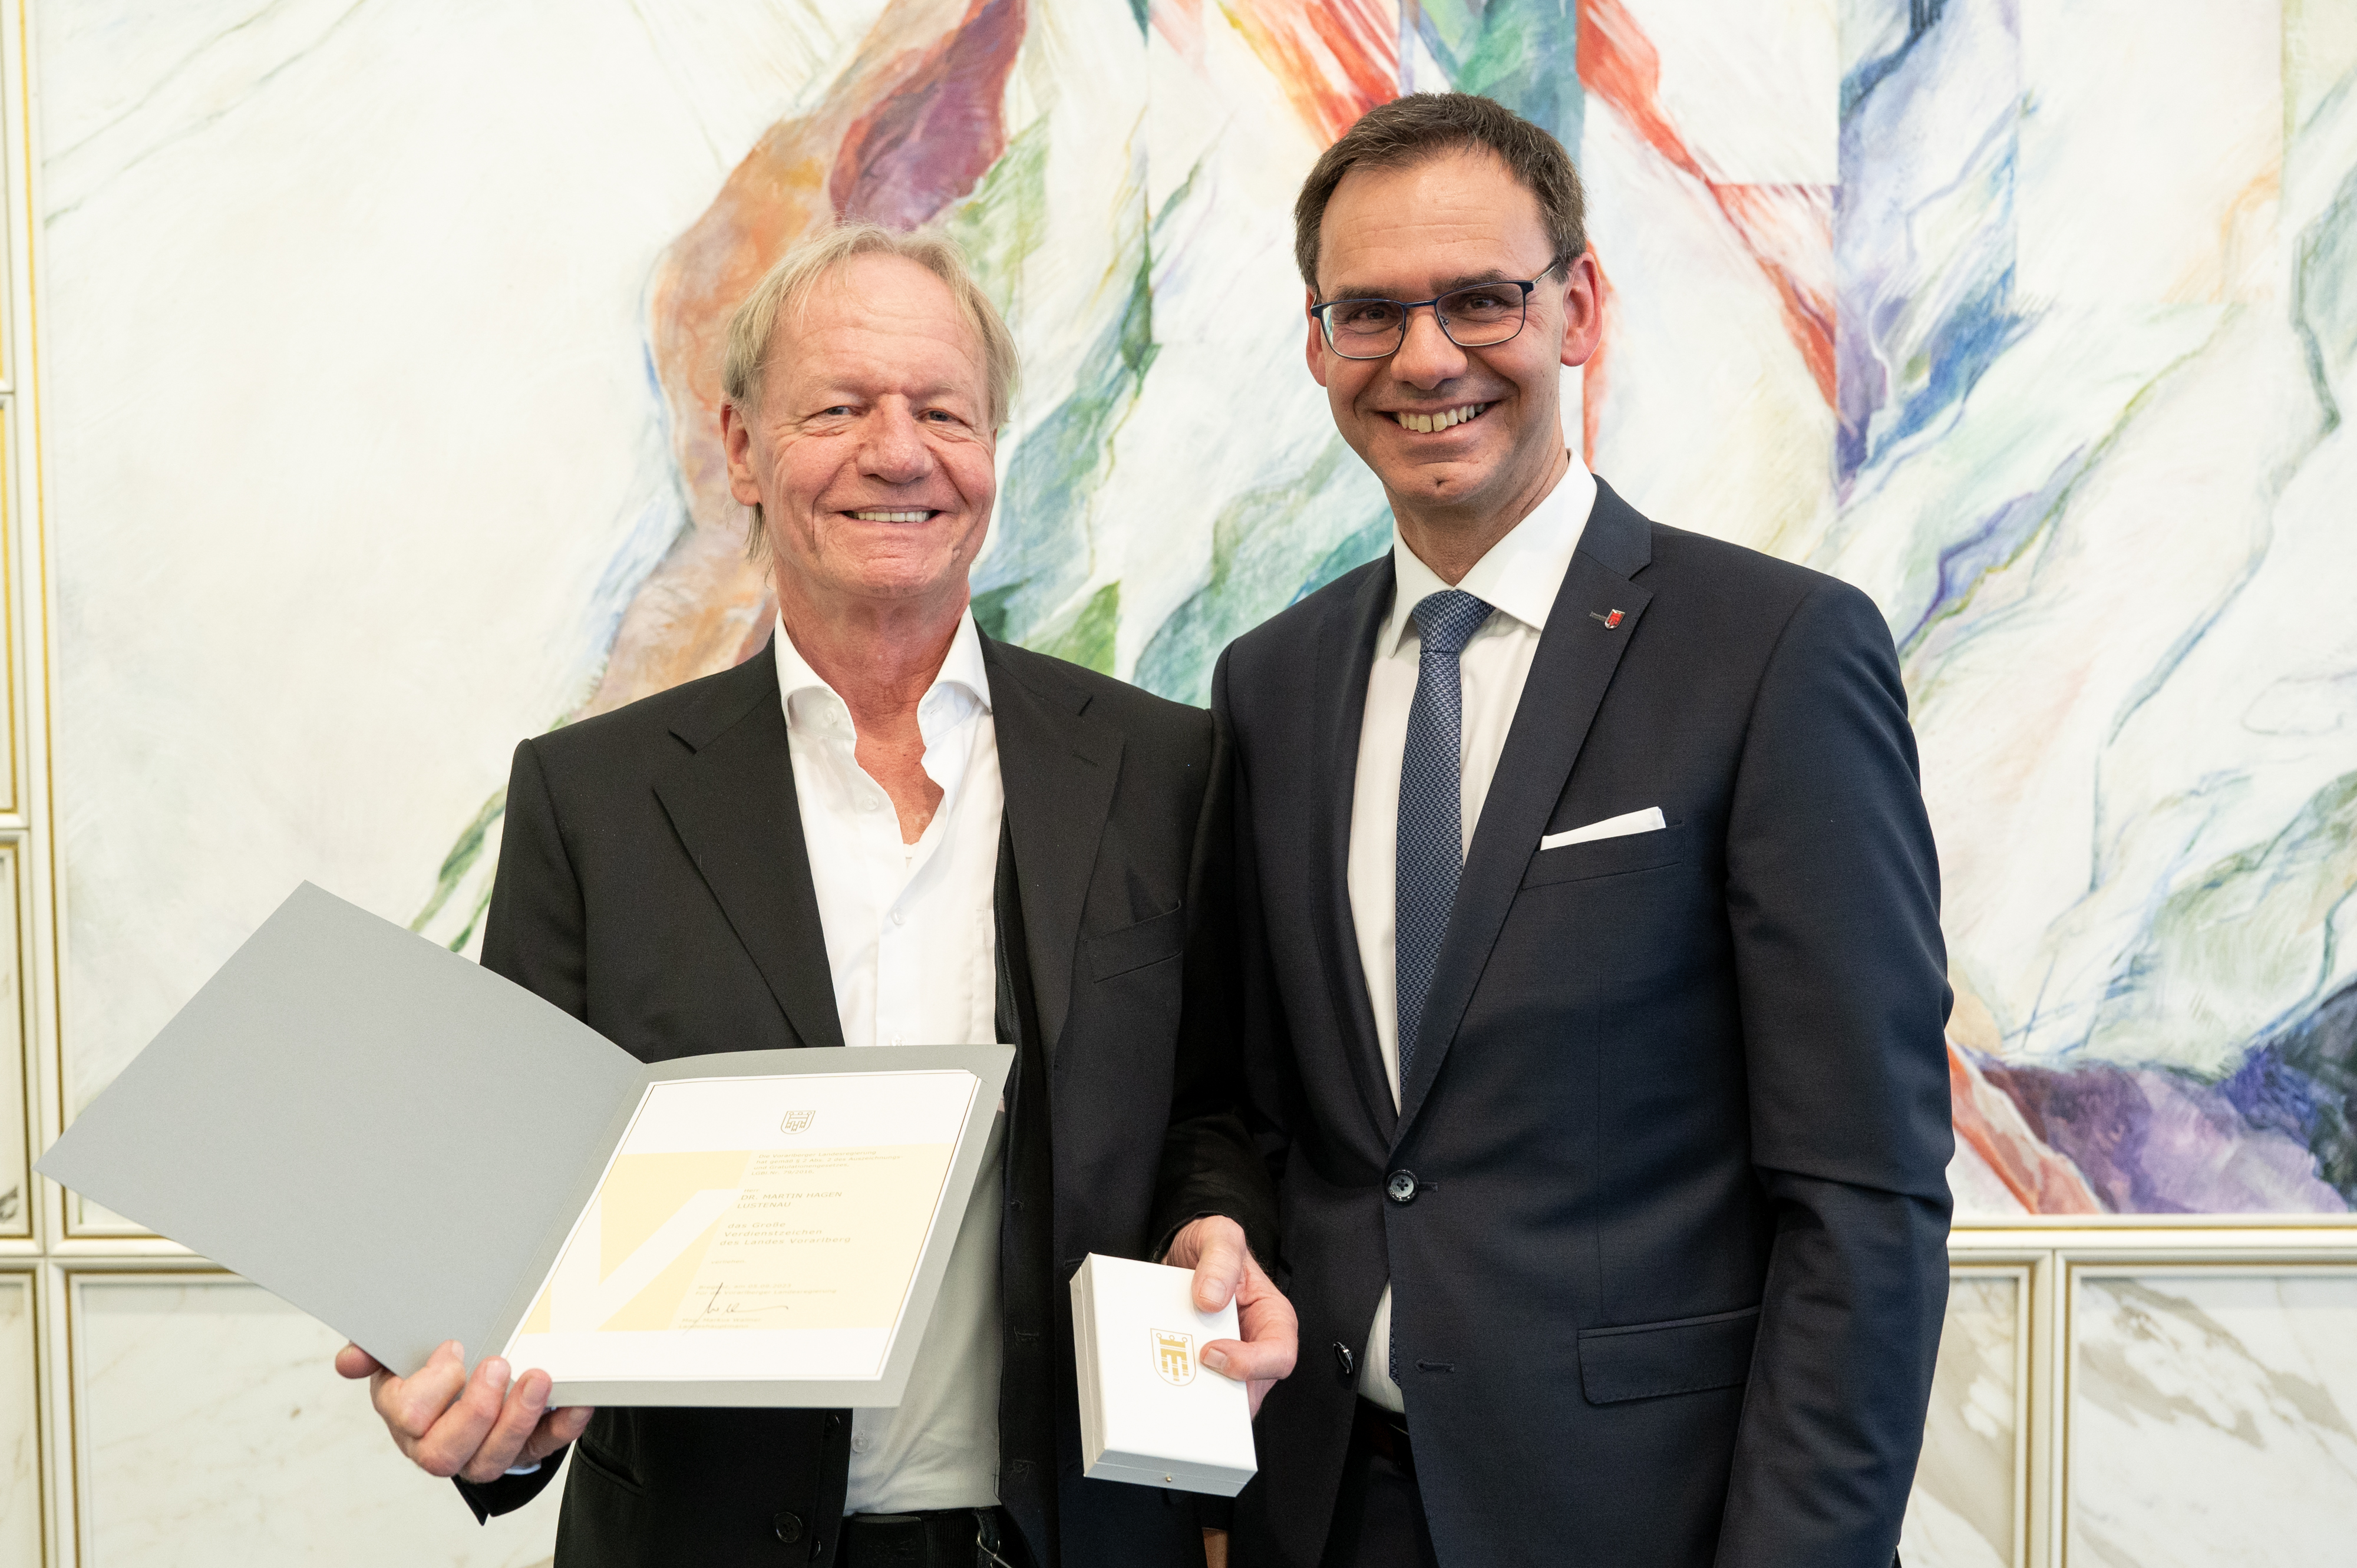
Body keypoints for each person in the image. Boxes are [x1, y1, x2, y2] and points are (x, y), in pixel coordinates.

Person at [334, 223, 1295, 1568]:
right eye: (837, 409)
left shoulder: (1160, 766)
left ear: (991, 451)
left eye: (943, 412)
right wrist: (482, 1396)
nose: (897, 452)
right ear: (740, 448)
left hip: (1078, 1536)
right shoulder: (592, 799)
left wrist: (1213, 1222)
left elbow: (1212, 1110)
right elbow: (509, 1202)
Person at [1214, 94, 1952, 1568]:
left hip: (1644, 1523)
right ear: (1317, 344)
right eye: (1369, 312)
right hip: (1327, 1513)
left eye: (1480, 299)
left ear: (1578, 308)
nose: (1426, 357)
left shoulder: (1774, 653)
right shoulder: (1270, 684)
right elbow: (1260, 1111)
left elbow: (1861, 1196)